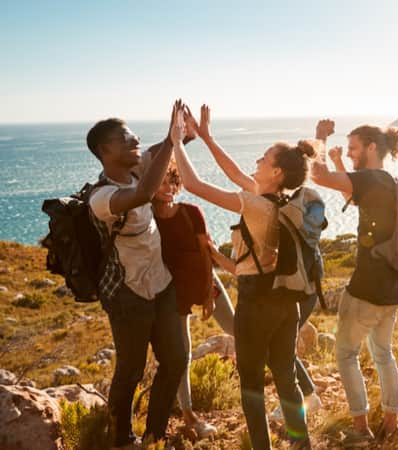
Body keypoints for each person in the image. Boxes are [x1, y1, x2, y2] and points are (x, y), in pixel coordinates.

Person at [170, 104, 316, 450]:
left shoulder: (254, 205)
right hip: (285, 302)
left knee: (251, 384)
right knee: (286, 377)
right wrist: (206, 137)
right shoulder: (280, 203)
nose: (257, 162)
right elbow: (236, 174)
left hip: (256, 305)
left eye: (264, 159)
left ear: (276, 171)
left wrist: (177, 141)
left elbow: (192, 184)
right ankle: (302, 444)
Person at [86, 100, 188, 449]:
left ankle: (154, 436)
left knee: (175, 360)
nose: (135, 140)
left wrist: (182, 131)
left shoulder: (136, 168)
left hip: (161, 284)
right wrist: (172, 141)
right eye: (126, 137)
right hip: (127, 293)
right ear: (105, 150)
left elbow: (170, 145)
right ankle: (121, 439)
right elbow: (145, 193)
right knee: (130, 370)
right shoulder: (102, 198)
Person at [310, 121, 398, 446]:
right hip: (393, 287)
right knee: (383, 353)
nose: (351, 153)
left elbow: (318, 176)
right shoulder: (385, 181)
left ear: (371, 147)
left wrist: (321, 139)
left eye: (353, 147)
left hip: (367, 287)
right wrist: (341, 163)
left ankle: (360, 428)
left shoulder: (371, 178)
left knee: (346, 354)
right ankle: (392, 425)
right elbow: (353, 197)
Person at [150, 159, 235, 439]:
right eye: (161, 182)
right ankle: (188, 415)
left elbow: (205, 253)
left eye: (172, 182)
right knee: (182, 354)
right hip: (173, 289)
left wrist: (209, 293)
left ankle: (282, 383)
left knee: (237, 329)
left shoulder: (191, 212)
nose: (168, 188)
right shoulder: (146, 217)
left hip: (204, 279)